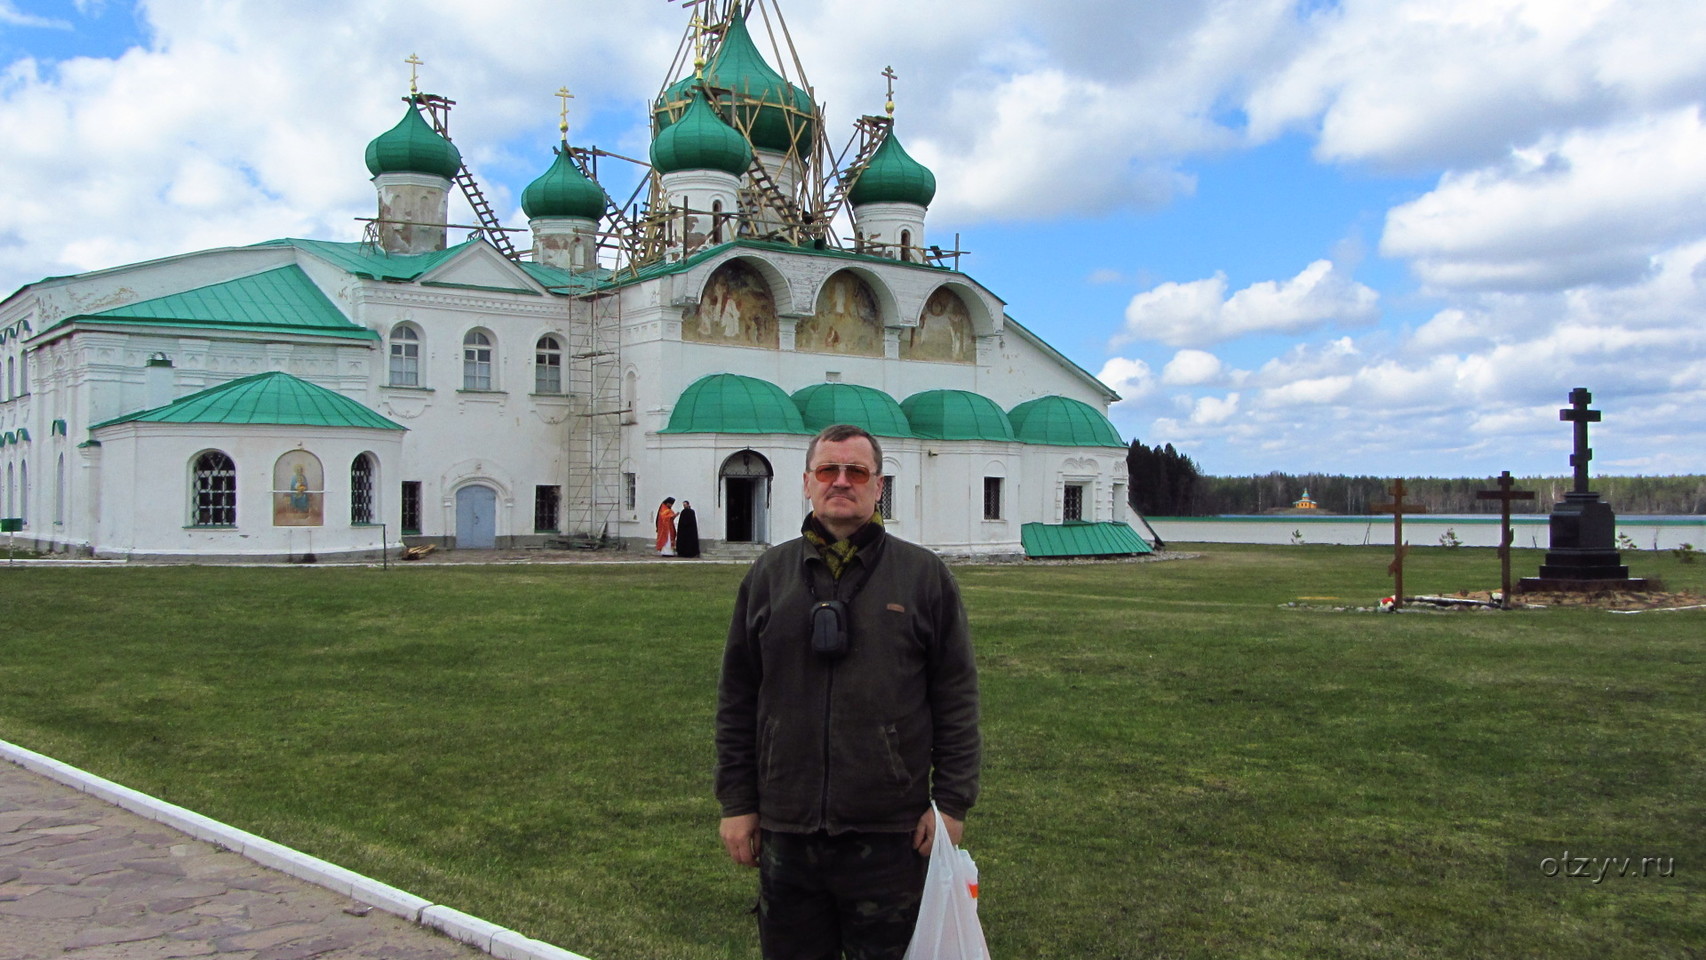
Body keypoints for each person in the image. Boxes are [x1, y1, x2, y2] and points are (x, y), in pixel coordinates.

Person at [715, 424, 980, 959]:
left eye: (856, 471)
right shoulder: (769, 576)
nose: (842, 482)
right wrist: (738, 803)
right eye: (828, 471)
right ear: (807, 483)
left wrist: (951, 803)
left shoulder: (923, 577)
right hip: (787, 828)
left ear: (878, 485)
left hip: (889, 833)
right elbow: (738, 697)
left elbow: (955, 697)